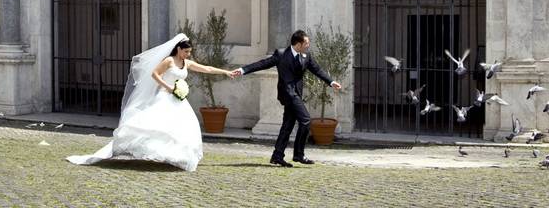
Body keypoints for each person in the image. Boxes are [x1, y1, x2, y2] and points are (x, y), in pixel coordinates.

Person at [67, 33, 234, 172]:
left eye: (189, 52)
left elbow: (206, 68)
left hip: (178, 100)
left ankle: (177, 157)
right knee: (156, 125)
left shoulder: (186, 63)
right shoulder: (169, 61)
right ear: (178, 49)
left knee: (182, 127)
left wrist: (226, 72)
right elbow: (154, 74)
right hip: (164, 96)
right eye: (186, 52)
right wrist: (168, 87)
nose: (188, 55)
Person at [232, 29, 342, 167]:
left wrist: (331, 82)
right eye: (306, 43)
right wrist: (243, 70)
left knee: (287, 125)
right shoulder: (281, 54)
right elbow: (262, 64)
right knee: (306, 120)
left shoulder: (306, 56)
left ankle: (277, 156)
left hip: (297, 94)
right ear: (298, 44)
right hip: (287, 94)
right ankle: (298, 155)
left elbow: (317, 70)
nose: (308, 45)